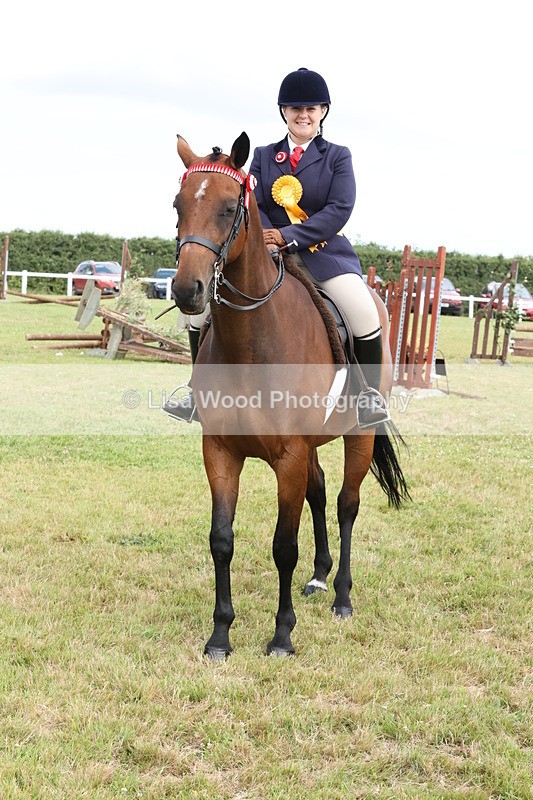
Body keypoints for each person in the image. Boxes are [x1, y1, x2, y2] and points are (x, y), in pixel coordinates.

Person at [164, 67, 389, 428]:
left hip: (325, 255)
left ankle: (368, 398)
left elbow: (339, 208)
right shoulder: (265, 156)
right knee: (197, 314)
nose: (303, 114)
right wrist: (269, 236)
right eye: (295, 108)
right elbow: (251, 205)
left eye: (311, 108)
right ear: (284, 111)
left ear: (323, 112)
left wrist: (290, 236)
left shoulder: (337, 157)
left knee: (363, 312)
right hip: (268, 255)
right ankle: (196, 393)